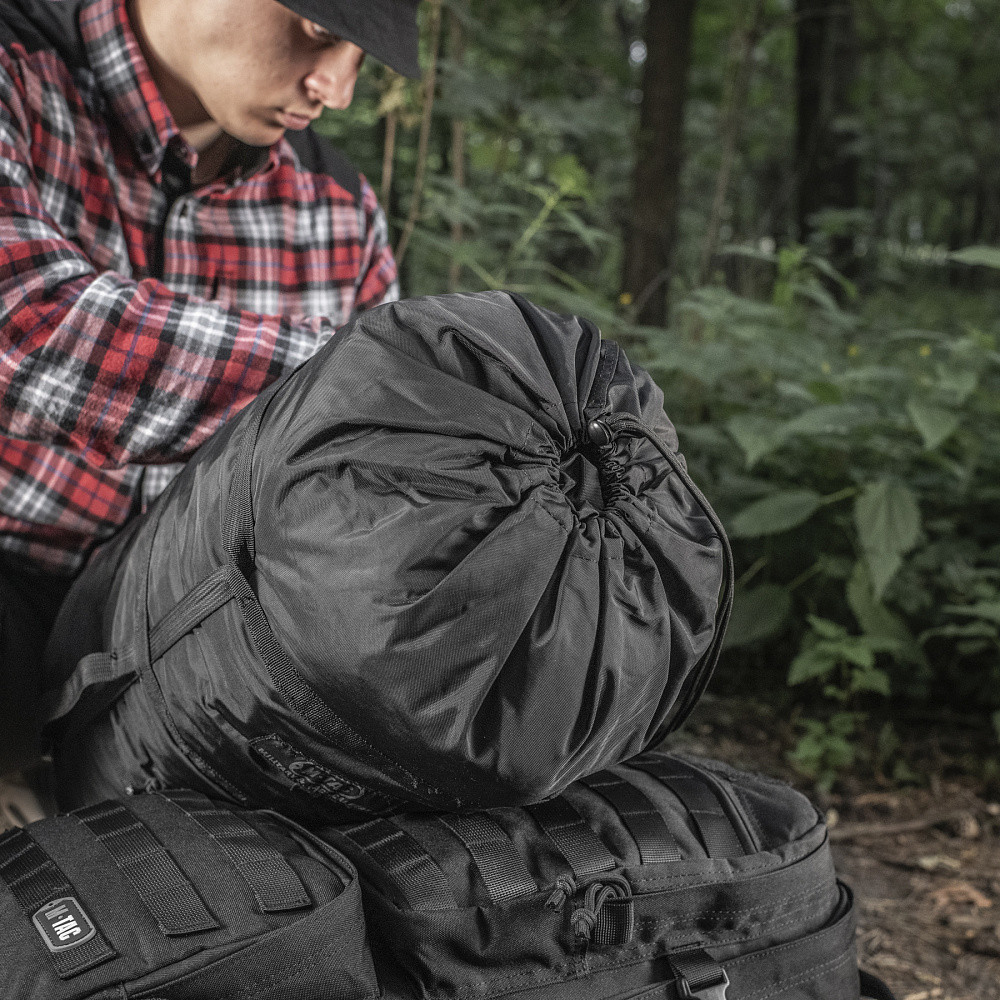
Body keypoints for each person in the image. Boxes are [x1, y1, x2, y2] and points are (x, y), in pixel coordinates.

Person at [0, 0, 421, 779]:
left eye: (360, 57)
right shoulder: (18, 79)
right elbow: (19, 323)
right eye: (323, 32)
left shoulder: (339, 209)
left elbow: (372, 474)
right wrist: (354, 381)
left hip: (195, 625)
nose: (337, 87)